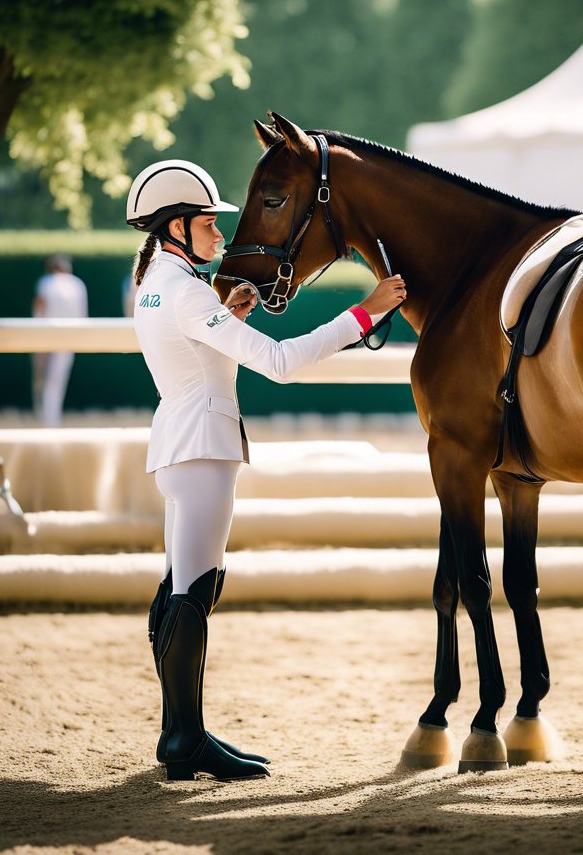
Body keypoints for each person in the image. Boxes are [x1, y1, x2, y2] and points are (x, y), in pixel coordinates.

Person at [126, 158, 406, 782]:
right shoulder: (188, 289)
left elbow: (193, 352)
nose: (220, 232)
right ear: (174, 226)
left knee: (183, 586)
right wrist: (366, 312)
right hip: (203, 446)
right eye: (206, 223)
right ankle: (182, 739)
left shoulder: (154, 282)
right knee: (194, 590)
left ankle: (182, 733)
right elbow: (280, 363)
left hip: (180, 442)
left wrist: (234, 316)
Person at [32, 253, 88, 426]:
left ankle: (47, 419)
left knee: (44, 379)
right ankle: (51, 419)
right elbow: (82, 315)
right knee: (57, 378)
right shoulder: (77, 284)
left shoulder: (46, 283)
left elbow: (39, 310)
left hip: (45, 335)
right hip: (69, 336)